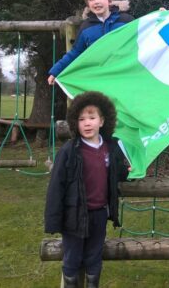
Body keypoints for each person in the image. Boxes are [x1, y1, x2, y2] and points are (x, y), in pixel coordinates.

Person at [44, 91, 130, 288]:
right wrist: (53, 220)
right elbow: (56, 187)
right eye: (82, 119)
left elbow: (117, 171)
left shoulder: (110, 147)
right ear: (76, 122)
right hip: (74, 215)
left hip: (100, 214)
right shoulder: (70, 150)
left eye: (92, 117)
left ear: (102, 121)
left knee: (94, 257)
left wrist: (127, 171)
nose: (87, 123)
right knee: (72, 258)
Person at [47, 0, 134, 85]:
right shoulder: (86, 28)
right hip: (99, 79)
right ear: (88, 4)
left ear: (110, 0)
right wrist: (56, 71)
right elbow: (76, 52)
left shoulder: (126, 21)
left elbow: (146, 36)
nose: (96, 2)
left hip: (125, 76)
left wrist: (159, 18)